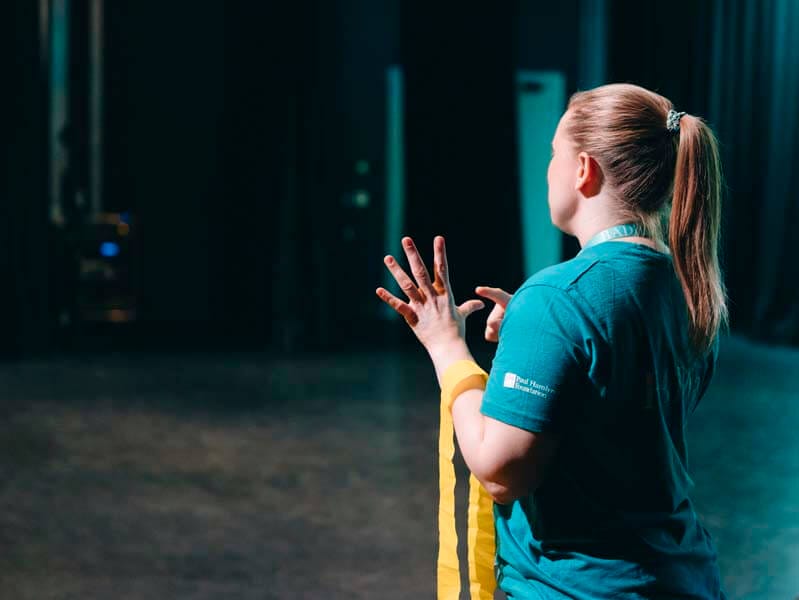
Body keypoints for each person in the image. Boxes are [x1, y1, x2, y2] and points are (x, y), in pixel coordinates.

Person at [375, 82, 728, 599]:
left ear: (583, 169)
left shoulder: (558, 298)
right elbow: (613, 408)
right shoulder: (688, 288)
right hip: (683, 579)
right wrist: (533, 340)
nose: (547, 170)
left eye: (553, 153)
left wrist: (445, 343)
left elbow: (500, 472)